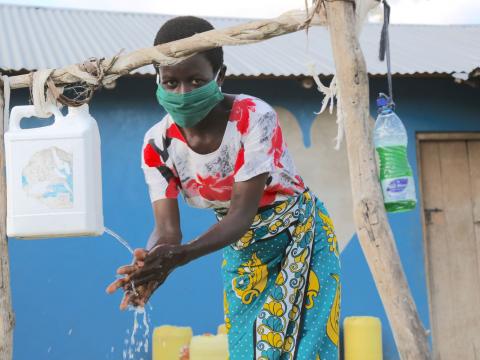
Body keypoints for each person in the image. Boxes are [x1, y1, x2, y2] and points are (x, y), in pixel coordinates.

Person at [106, 16, 341, 360]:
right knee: (248, 351)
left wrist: (180, 256)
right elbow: (168, 231)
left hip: (299, 234)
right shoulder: (157, 144)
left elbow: (241, 214)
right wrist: (151, 263)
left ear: (220, 76)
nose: (182, 93)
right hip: (242, 249)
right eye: (170, 82)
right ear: (157, 79)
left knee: (309, 350)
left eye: (195, 80)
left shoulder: (252, 117)